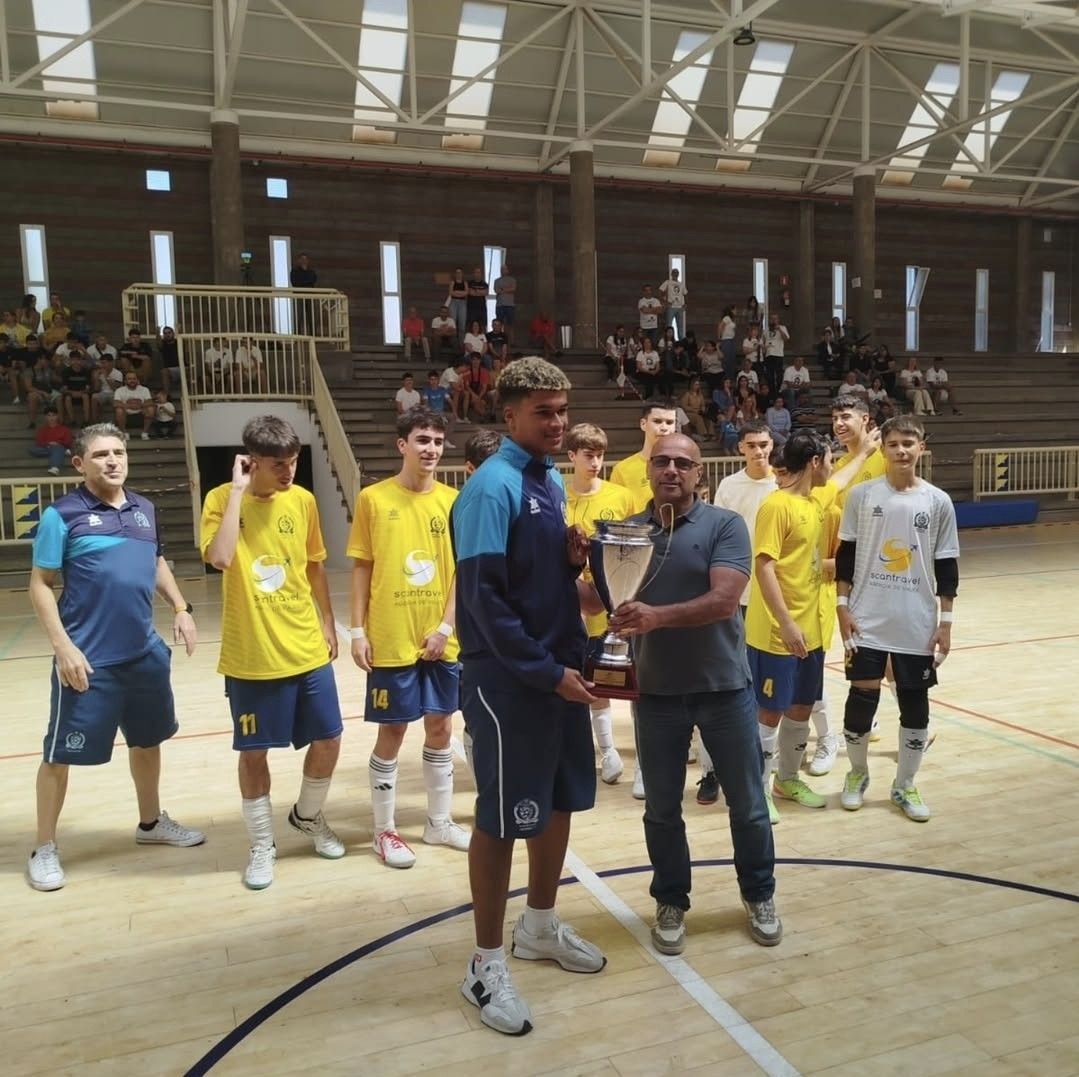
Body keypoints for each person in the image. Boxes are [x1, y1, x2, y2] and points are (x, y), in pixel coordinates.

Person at [451, 357, 605, 1037]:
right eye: (544, 412)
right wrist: (545, 671)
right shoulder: (492, 487)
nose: (558, 422)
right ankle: (484, 963)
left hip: (555, 672)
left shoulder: (547, 480)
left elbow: (530, 578)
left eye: (562, 411)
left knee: (559, 800)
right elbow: (484, 601)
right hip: (509, 683)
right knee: (501, 818)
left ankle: (538, 926)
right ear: (508, 414)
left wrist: (567, 562)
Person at [609, 433, 780, 955]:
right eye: (661, 461)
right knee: (662, 810)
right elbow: (600, 597)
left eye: (683, 463)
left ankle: (759, 894)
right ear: (647, 469)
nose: (671, 470)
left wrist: (655, 618)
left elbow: (725, 600)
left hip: (724, 688)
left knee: (748, 805)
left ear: (698, 473)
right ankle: (670, 900)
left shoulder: (725, 525)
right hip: (656, 693)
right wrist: (575, 567)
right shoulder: (628, 531)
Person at [26, 423, 203, 891]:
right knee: (59, 755)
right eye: (101, 454)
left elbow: (156, 562)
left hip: (144, 655)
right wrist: (63, 647)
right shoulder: (62, 515)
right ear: (79, 464)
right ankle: (43, 847)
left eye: (119, 452)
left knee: (148, 741)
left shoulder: (145, 509)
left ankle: (151, 823)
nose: (112, 461)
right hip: (87, 661)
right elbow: (40, 584)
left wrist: (180, 608)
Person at [201, 415, 345, 890]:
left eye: (294, 462)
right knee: (254, 752)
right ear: (251, 461)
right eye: (278, 464)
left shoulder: (302, 501)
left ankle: (307, 815)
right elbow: (221, 558)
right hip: (252, 653)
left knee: (329, 739)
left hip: (305, 644)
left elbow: (314, 566)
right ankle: (262, 844)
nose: (289, 472)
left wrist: (327, 621)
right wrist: (238, 493)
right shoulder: (220, 499)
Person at [347, 408, 470, 867]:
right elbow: (362, 568)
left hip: (440, 638)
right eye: (422, 440)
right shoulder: (373, 499)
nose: (431, 449)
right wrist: (357, 630)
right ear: (402, 445)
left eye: (437, 441)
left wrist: (445, 627)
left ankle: (439, 823)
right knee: (393, 730)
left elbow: (462, 572)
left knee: (441, 727)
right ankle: (384, 830)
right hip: (390, 636)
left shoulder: (454, 502)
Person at [745, 429, 881, 824]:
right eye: (830, 460)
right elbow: (764, 567)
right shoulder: (776, 506)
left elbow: (839, 481)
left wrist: (865, 452)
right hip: (777, 631)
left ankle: (786, 780)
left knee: (802, 706)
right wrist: (786, 622)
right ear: (814, 462)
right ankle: (758, 789)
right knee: (770, 711)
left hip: (812, 628)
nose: (834, 468)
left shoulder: (816, 500)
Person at [836, 416, 959, 822]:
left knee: (915, 704)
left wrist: (945, 622)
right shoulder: (862, 495)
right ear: (884, 449)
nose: (901, 450)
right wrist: (842, 606)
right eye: (893, 444)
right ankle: (857, 774)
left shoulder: (938, 501)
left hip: (916, 620)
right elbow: (846, 555)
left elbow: (947, 565)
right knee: (861, 699)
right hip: (866, 616)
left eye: (909, 443)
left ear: (922, 447)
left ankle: (904, 784)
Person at [564, 423, 636, 785]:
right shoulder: (557, 494)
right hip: (570, 599)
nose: (595, 462)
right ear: (572, 456)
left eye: (600, 455)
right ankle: (606, 750)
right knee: (588, 680)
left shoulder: (621, 497)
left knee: (627, 677)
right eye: (588, 455)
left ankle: (636, 757)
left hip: (614, 599)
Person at [609, 401, 679, 514]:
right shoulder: (622, 470)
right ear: (643, 424)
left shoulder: (683, 467)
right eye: (657, 421)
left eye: (669, 422)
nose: (664, 427)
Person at [30, 406, 73, 475]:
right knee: (32, 449)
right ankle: (62, 452)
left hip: (59, 446)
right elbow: (39, 442)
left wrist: (57, 443)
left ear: (57, 416)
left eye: (53, 415)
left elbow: (68, 442)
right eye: (49, 415)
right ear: (45, 417)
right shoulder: (42, 430)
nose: (51, 418)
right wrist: (49, 444)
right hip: (46, 448)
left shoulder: (65, 429)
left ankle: (55, 467)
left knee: (57, 448)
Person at [113, 371, 156, 440]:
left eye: (134, 379)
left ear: (137, 380)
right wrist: (130, 406)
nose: (132, 381)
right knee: (119, 410)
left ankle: (145, 433)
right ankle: (124, 433)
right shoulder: (119, 390)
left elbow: (150, 402)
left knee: (151, 409)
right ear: (125, 381)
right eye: (129, 379)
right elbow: (115, 403)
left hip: (141, 411)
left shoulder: (144, 389)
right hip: (126, 412)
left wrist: (141, 405)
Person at [290, 253, 318, 335]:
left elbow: (313, 280)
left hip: (310, 295)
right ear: (298, 261)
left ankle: (313, 335)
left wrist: (303, 281)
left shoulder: (311, 271)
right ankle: (297, 335)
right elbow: (295, 282)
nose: (304, 261)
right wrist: (306, 282)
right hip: (299, 295)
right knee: (298, 316)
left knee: (312, 316)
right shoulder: (294, 271)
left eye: (305, 259)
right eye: (302, 259)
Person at [659, 269, 687, 338]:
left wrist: (685, 303)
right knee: (669, 325)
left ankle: (681, 341)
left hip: (680, 307)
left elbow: (685, 293)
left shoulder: (681, 284)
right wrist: (665, 301)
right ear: (671, 274)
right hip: (671, 307)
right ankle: (668, 340)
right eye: (674, 273)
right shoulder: (668, 282)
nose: (676, 274)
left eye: (677, 273)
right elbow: (660, 291)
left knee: (680, 326)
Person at [463, 354, 492, 421]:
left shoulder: (484, 371)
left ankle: (482, 416)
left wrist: (478, 397)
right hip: (470, 393)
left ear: (480, 361)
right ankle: (484, 415)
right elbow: (467, 386)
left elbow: (484, 388)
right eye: (474, 359)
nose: (475, 361)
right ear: (471, 361)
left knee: (482, 402)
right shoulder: (466, 371)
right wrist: (473, 395)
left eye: (477, 360)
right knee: (476, 403)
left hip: (481, 393)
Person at [493, 262, 517, 342]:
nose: (503, 270)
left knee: (510, 324)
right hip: (499, 305)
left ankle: (511, 341)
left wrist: (503, 290)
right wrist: (507, 289)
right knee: (499, 323)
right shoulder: (496, 281)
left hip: (510, 305)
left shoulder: (512, 280)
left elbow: (513, 288)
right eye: (502, 269)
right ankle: (499, 340)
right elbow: (496, 290)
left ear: (508, 270)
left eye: (504, 269)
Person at [447, 268, 469, 339]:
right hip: (453, 302)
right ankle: (453, 342)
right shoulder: (452, 282)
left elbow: (466, 293)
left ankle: (461, 342)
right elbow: (451, 292)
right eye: (457, 273)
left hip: (462, 303)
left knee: (462, 324)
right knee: (453, 323)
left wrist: (456, 292)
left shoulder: (465, 283)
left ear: (462, 274)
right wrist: (461, 293)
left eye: (460, 273)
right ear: (455, 274)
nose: (458, 274)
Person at [466, 265, 489, 332]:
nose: (477, 274)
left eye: (479, 272)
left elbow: (486, 293)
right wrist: (480, 292)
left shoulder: (484, 284)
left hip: (482, 308)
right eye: (476, 272)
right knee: (471, 326)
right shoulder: (469, 283)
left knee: (482, 326)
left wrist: (476, 291)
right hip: (471, 309)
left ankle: (483, 338)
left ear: (481, 274)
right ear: (474, 274)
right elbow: (471, 292)